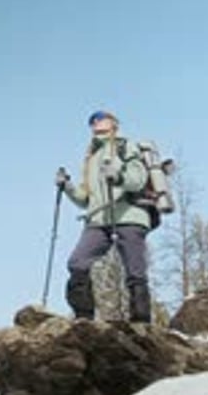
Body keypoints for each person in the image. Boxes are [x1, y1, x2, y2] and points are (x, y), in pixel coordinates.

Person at [56, 110, 152, 322]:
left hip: (129, 215)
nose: (95, 122)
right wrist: (67, 187)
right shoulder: (91, 157)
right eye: (92, 120)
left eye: (100, 118)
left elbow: (138, 179)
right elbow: (85, 199)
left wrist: (118, 176)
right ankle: (83, 318)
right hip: (99, 220)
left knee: (134, 269)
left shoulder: (125, 145)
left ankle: (141, 320)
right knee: (77, 263)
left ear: (114, 123)